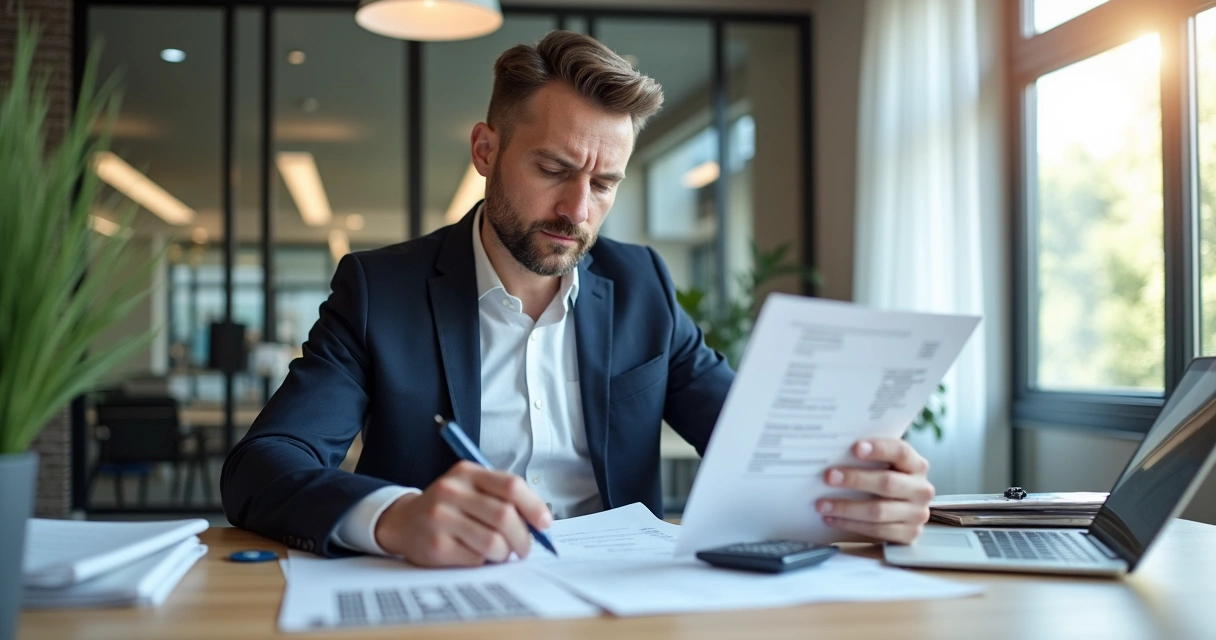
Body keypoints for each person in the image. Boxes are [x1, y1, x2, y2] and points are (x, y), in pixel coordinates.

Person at [220, 30, 934, 567]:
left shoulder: (644, 286)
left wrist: (859, 493)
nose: (577, 210)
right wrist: (395, 516)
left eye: (604, 183)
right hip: (450, 595)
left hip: (624, 600)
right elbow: (265, 464)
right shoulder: (383, 290)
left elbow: (753, 442)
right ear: (485, 151)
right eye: (553, 169)